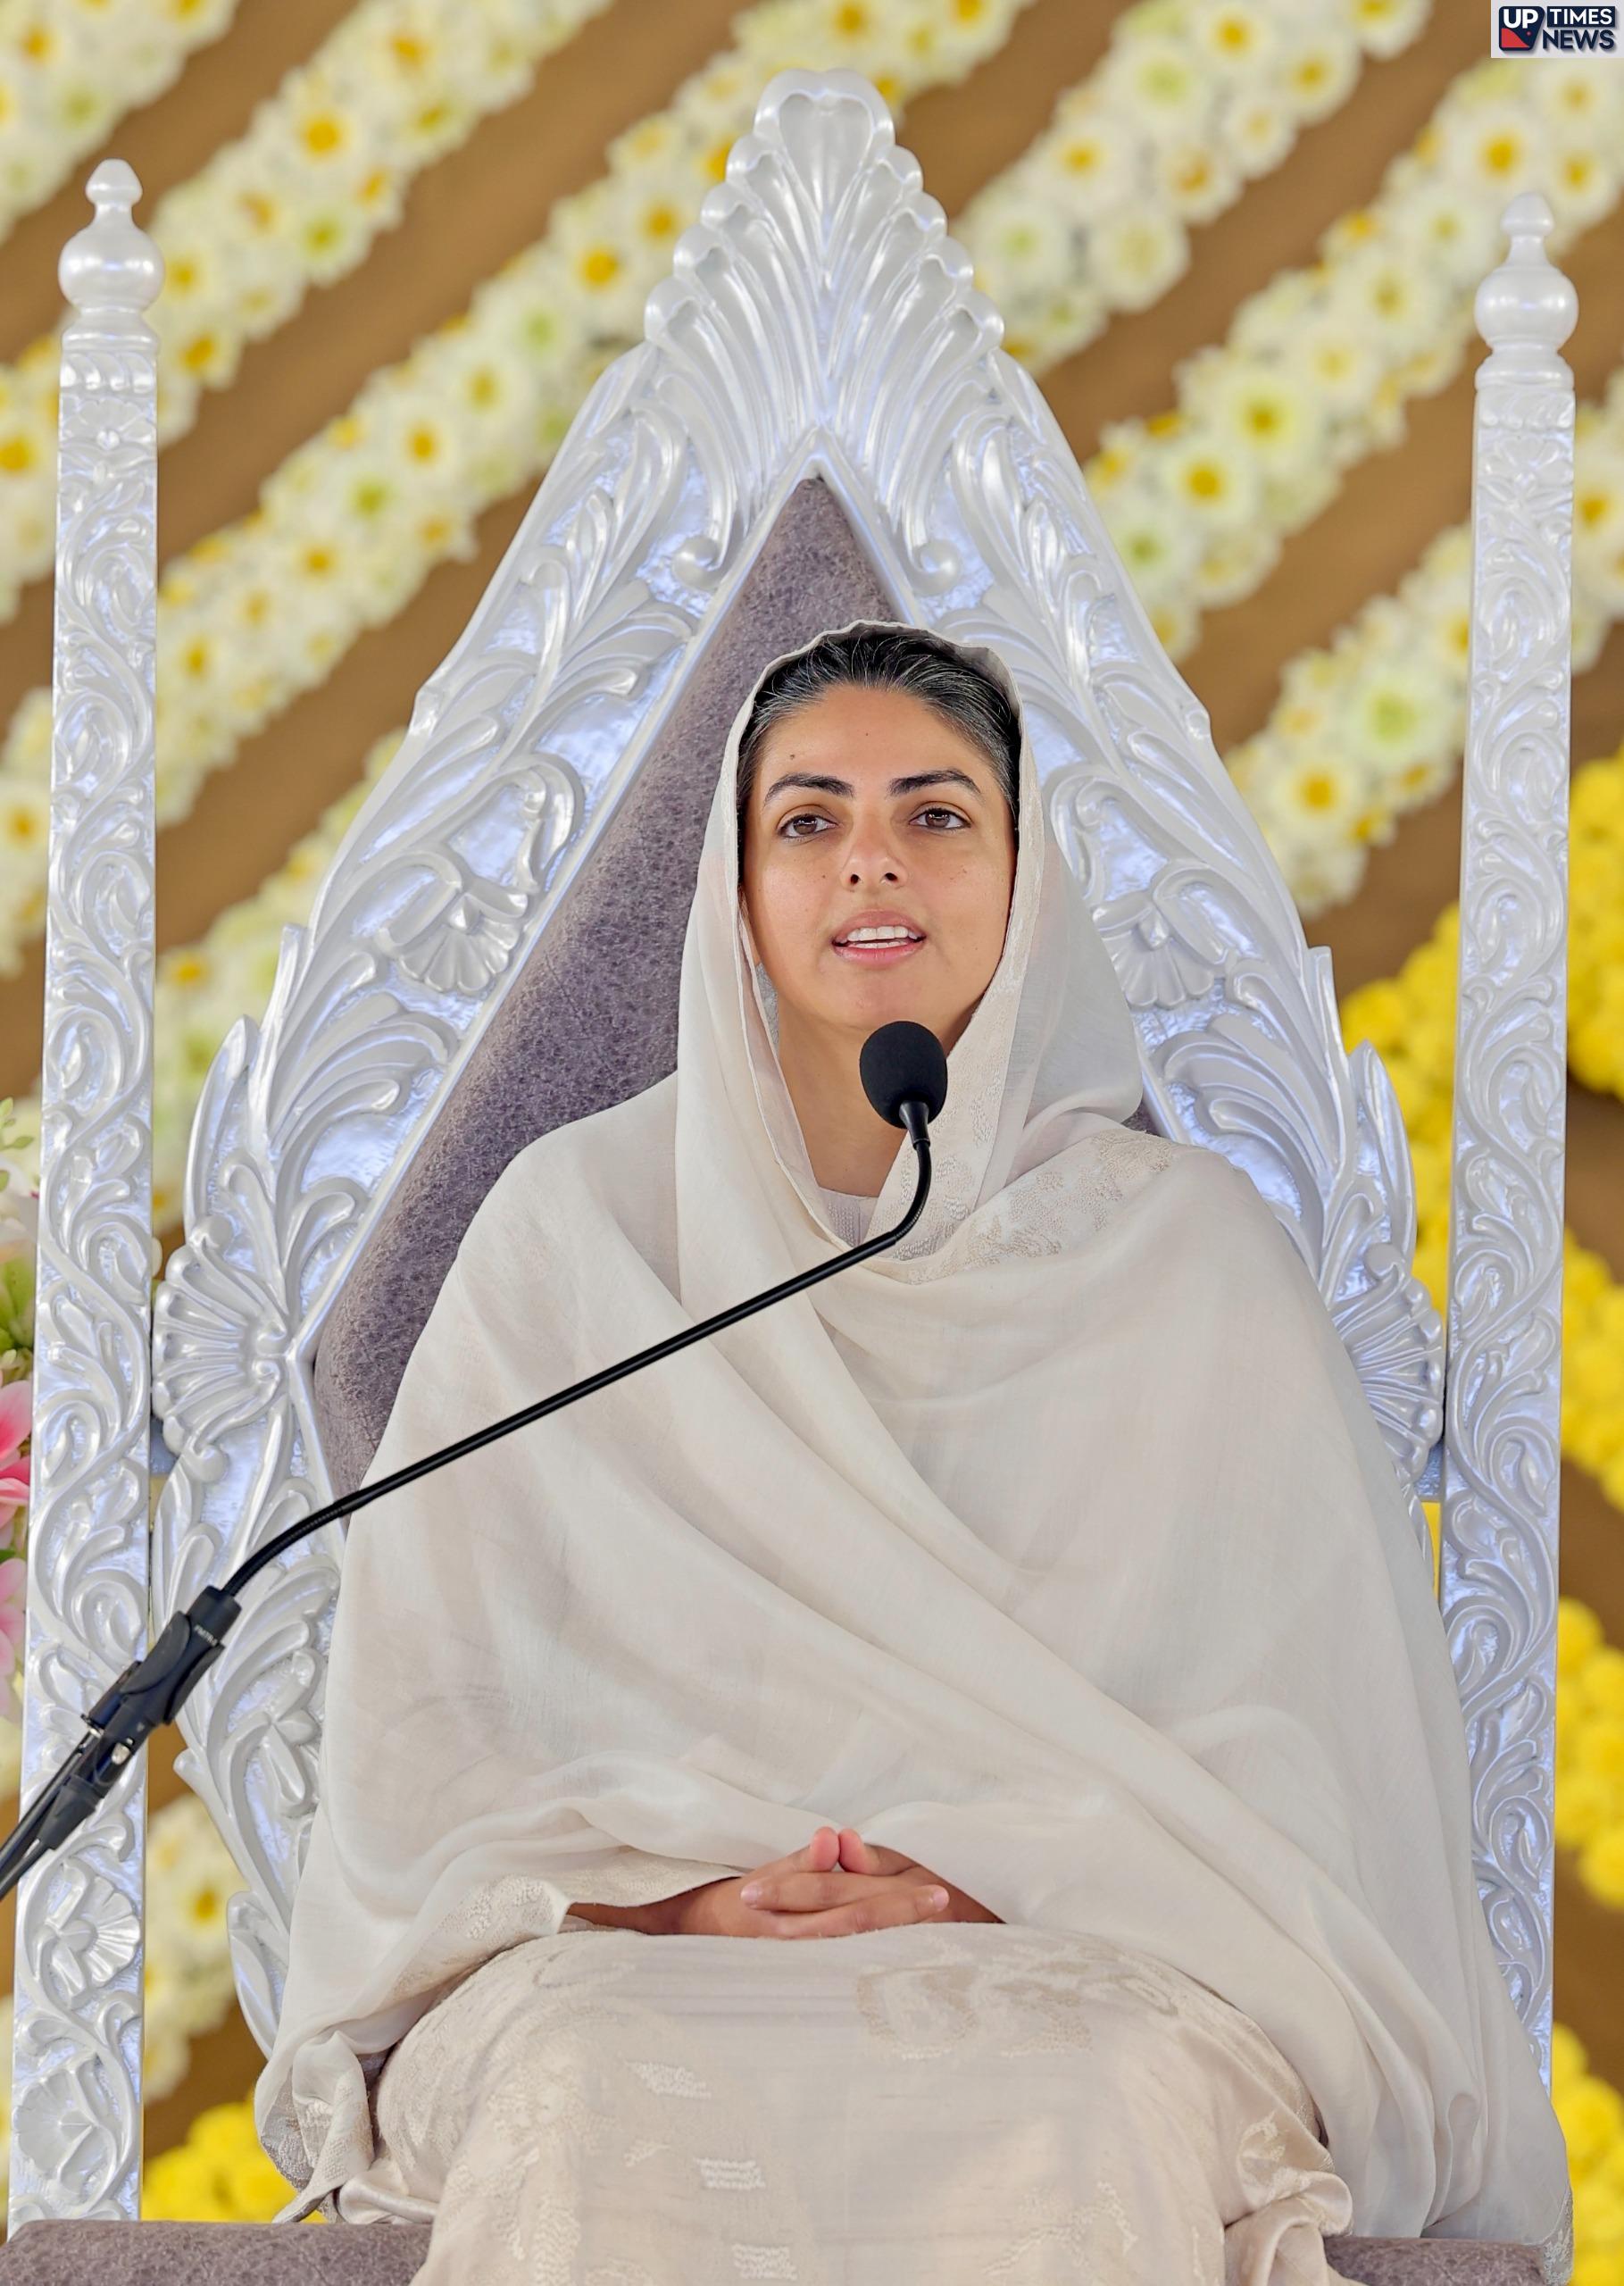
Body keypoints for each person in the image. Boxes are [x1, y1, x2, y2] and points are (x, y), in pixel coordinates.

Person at [255, 622, 1573, 2284]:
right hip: (629, 1959)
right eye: (808, 820)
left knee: (1087, 2089)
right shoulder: (582, 1234)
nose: (869, 861)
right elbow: (436, 1717)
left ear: (1027, 881)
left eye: (936, 815)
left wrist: (997, 1876)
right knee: (587, 2083)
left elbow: (1307, 1757)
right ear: (737, 890)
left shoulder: (1189, 1261)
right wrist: (667, 1899)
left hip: (1098, 1958)